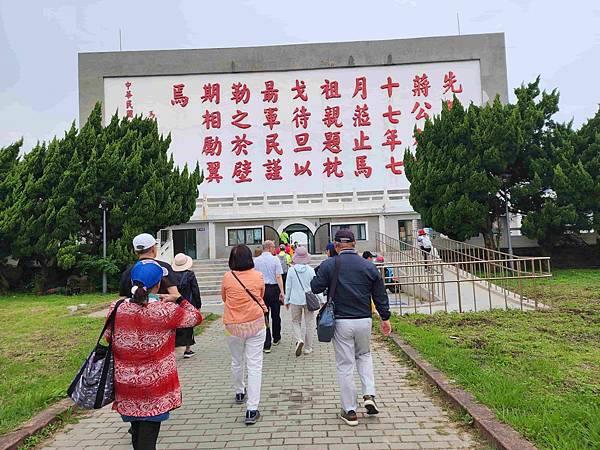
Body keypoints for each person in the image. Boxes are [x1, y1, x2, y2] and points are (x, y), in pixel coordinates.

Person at [107, 259, 202, 449]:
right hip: (156, 385)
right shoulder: (165, 310)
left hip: (126, 383)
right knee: (148, 439)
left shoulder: (116, 308)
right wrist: (180, 299)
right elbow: (196, 317)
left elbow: (109, 337)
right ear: (158, 284)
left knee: (137, 433)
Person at [311, 229, 392, 427]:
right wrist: (385, 317)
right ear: (355, 243)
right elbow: (380, 294)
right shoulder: (368, 266)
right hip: (364, 320)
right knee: (364, 356)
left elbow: (315, 287)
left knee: (345, 364)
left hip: (341, 322)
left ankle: (350, 410)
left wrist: (322, 271)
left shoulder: (330, 264)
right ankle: (369, 394)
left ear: (336, 245)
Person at [221, 244, 268, 425]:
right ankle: (252, 409)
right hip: (255, 323)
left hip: (233, 325)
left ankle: (239, 391)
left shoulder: (227, 276)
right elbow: (260, 295)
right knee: (255, 365)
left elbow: (224, 298)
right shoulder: (258, 276)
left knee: (236, 360)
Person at [119, 233, 180, 298]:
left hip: (133, 307)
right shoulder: (164, 268)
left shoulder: (128, 271)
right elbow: (175, 295)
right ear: (153, 249)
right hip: (161, 307)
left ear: (135, 252)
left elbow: (123, 298)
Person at [284, 246, 317, 357]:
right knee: (310, 323)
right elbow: (315, 286)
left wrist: (286, 300)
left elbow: (288, 287)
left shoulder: (291, 270)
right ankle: (308, 348)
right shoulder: (311, 270)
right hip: (309, 300)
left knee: (295, 321)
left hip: (295, 300)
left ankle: (299, 339)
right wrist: (321, 300)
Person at [253, 240, 284, 353]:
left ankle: (266, 341)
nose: (274, 249)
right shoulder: (275, 259)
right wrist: (282, 292)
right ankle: (276, 337)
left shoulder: (256, 261)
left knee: (264, 316)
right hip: (274, 288)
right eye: (274, 247)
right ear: (269, 247)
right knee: (276, 315)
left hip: (261, 290)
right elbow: (278, 276)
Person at [172, 253, 202, 359]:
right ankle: (187, 350)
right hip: (189, 303)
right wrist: (198, 304)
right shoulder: (190, 275)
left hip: (175, 303)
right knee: (189, 326)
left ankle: (173, 349)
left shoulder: (172, 275)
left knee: (175, 326)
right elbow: (195, 290)